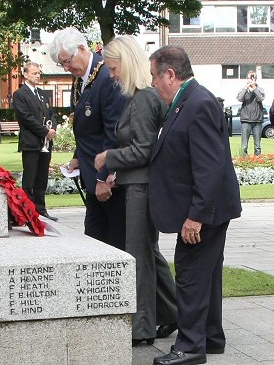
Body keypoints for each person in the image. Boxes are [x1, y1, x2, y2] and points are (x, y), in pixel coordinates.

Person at [148, 45, 242, 365]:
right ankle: (211, 338)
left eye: (154, 77)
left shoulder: (197, 103)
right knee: (208, 275)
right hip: (207, 208)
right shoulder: (187, 101)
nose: (152, 84)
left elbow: (209, 167)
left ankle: (189, 347)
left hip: (204, 212)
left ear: (170, 75)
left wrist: (196, 216)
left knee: (190, 275)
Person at [93, 36, 178, 347]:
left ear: (126, 64)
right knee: (149, 254)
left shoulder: (142, 98)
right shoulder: (140, 96)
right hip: (137, 185)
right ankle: (174, 311)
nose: (111, 75)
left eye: (114, 68)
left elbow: (142, 150)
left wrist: (108, 158)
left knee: (138, 256)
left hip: (141, 188)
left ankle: (142, 327)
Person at [48, 27, 127, 250]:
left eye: (67, 61)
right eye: (61, 64)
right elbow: (86, 127)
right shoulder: (82, 78)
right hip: (92, 176)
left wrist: (104, 177)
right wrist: (78, 158)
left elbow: (113, 132)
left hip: (110, 183)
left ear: (82, 49)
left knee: (114, 245)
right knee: (93, 241)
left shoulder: (107, 76)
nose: (66, 67)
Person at [13, 62, 58, 221]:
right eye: (34, 73)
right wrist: (45, 131)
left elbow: (52, 114)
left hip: (45, 143)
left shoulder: (43, 94)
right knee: (30, 179)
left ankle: (41, 209)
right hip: (31, 143)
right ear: (25, 75)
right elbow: (26, 118)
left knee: (42, 179)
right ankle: (28, 212)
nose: (38, 76)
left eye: (39, 73)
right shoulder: (20, 94)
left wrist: (52, 127)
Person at [237, 71, 265, 156]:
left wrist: (254, 87)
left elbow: (260, 98)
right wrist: (246, 88)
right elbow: (239, 98)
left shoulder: (260, 89)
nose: (252, 79)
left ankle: (257, 160)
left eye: (254, 78)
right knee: (244, 145)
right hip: (246, 120)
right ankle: (244, 160)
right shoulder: (243, 89)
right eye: (250, 78)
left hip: (257, 120)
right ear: (247, 79)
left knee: (257, 145)